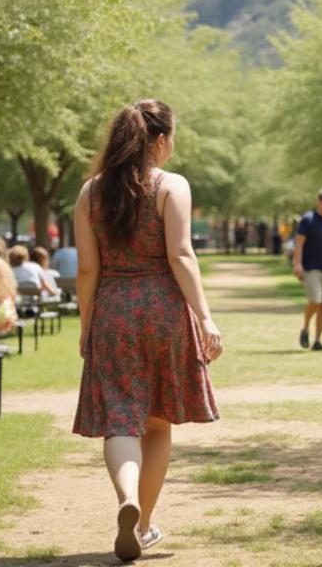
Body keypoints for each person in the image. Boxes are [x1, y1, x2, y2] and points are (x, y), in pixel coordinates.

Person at [73, 98, 221, 562]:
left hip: (113, 309)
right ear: (159, 141)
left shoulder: (89, 193)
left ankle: (127, 499)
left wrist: (86, 325)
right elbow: (180, 255)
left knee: (120, 419)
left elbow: (86, 271)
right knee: (157, 423)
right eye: (171, 137)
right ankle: (142, 524)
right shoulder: (170, 186)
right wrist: (205, 316)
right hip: (163, 311)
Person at [292, 189, 322, 352]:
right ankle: (305, 328)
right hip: (311, 268)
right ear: (318, 203)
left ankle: (318, 341)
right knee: (315, 300)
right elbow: (299, 243)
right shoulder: (308, 220)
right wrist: (297, 264)